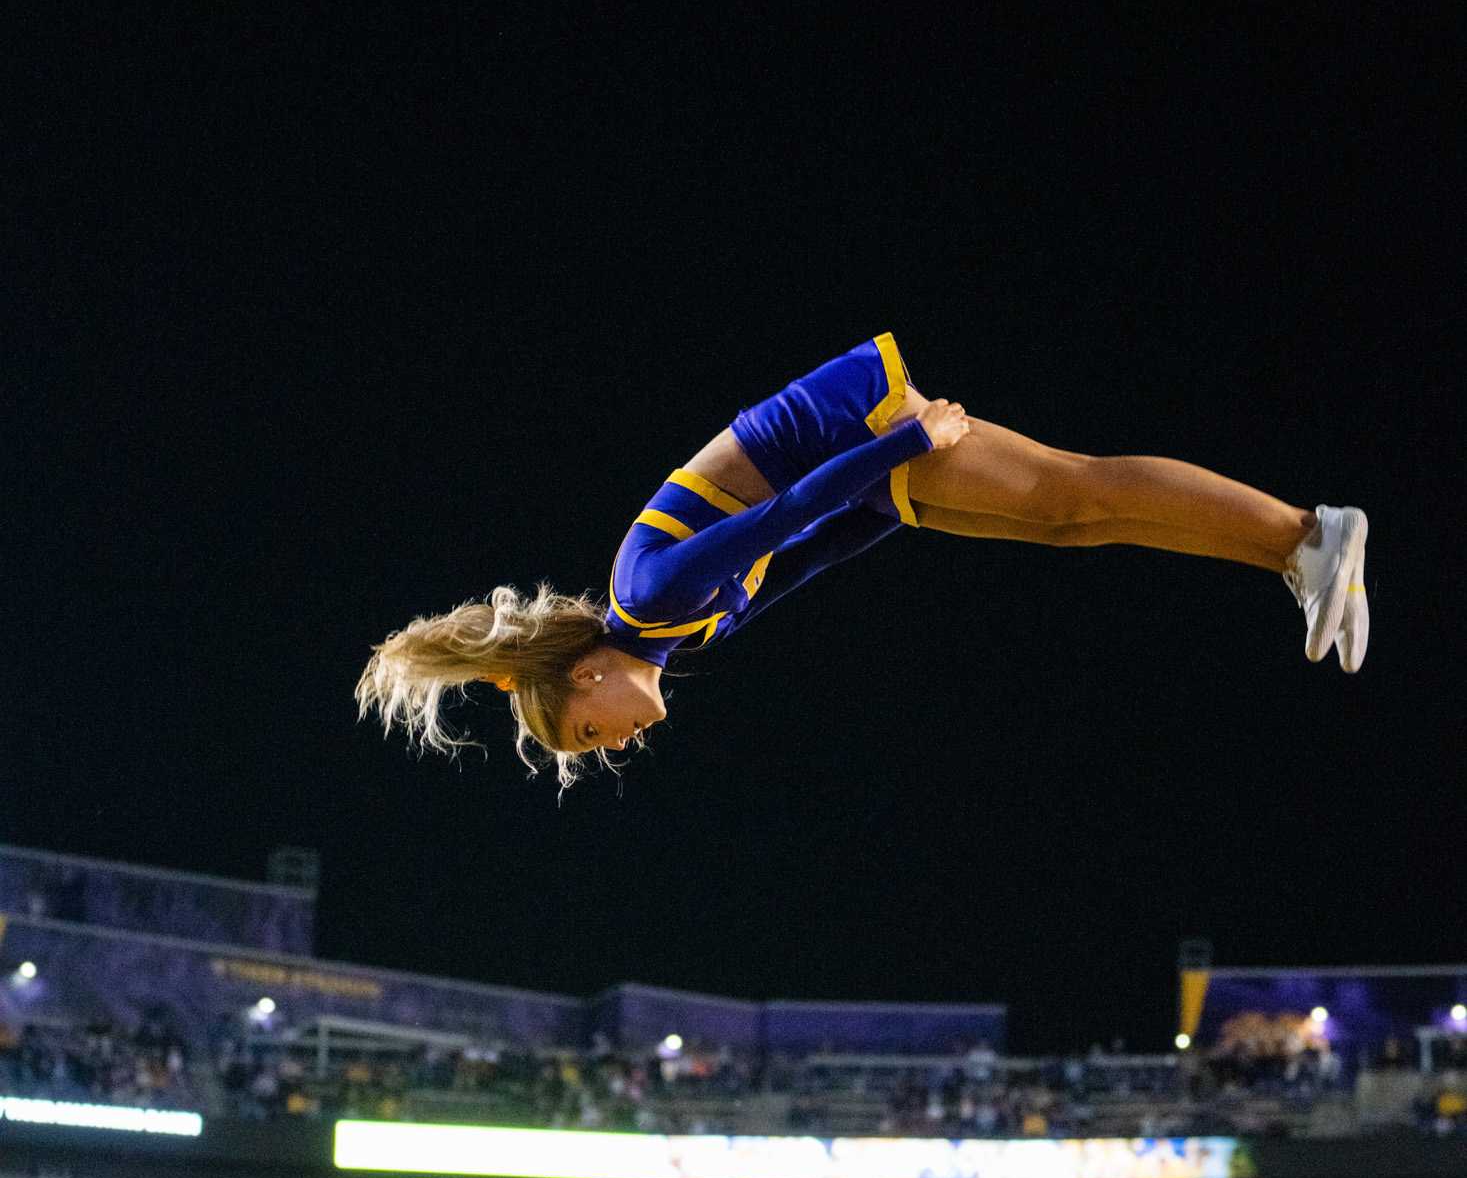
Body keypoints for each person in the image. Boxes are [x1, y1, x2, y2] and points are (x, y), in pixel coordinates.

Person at [357, 332, 1369, 785]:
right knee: (1071, 521)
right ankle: (1293, 551)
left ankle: (1307, 534)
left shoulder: (646, 592)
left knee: (1078, 491)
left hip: (849, 425)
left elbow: (782, 512)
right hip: (859, 464)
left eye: (590, 733)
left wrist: (906, 447)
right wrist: (896, 508)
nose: (617, 744)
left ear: (587, 674)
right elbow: (804, 559)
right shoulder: (678, 629)